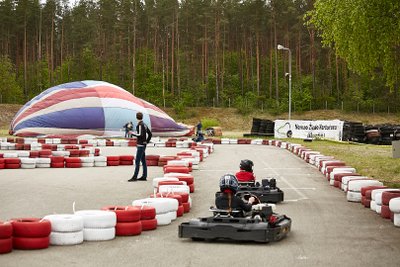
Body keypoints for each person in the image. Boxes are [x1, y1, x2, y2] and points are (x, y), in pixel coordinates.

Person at [128, 112, 152, 182]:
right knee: (143, 161)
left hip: (140, 145)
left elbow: (140, 134)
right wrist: (146, 141)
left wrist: (132, 133)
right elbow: (150, 134)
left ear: (136, 117)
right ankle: (144, 176)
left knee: (137, 161)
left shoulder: (140, 125)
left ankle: (135, 176)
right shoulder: (144, 124)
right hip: (143, 144)